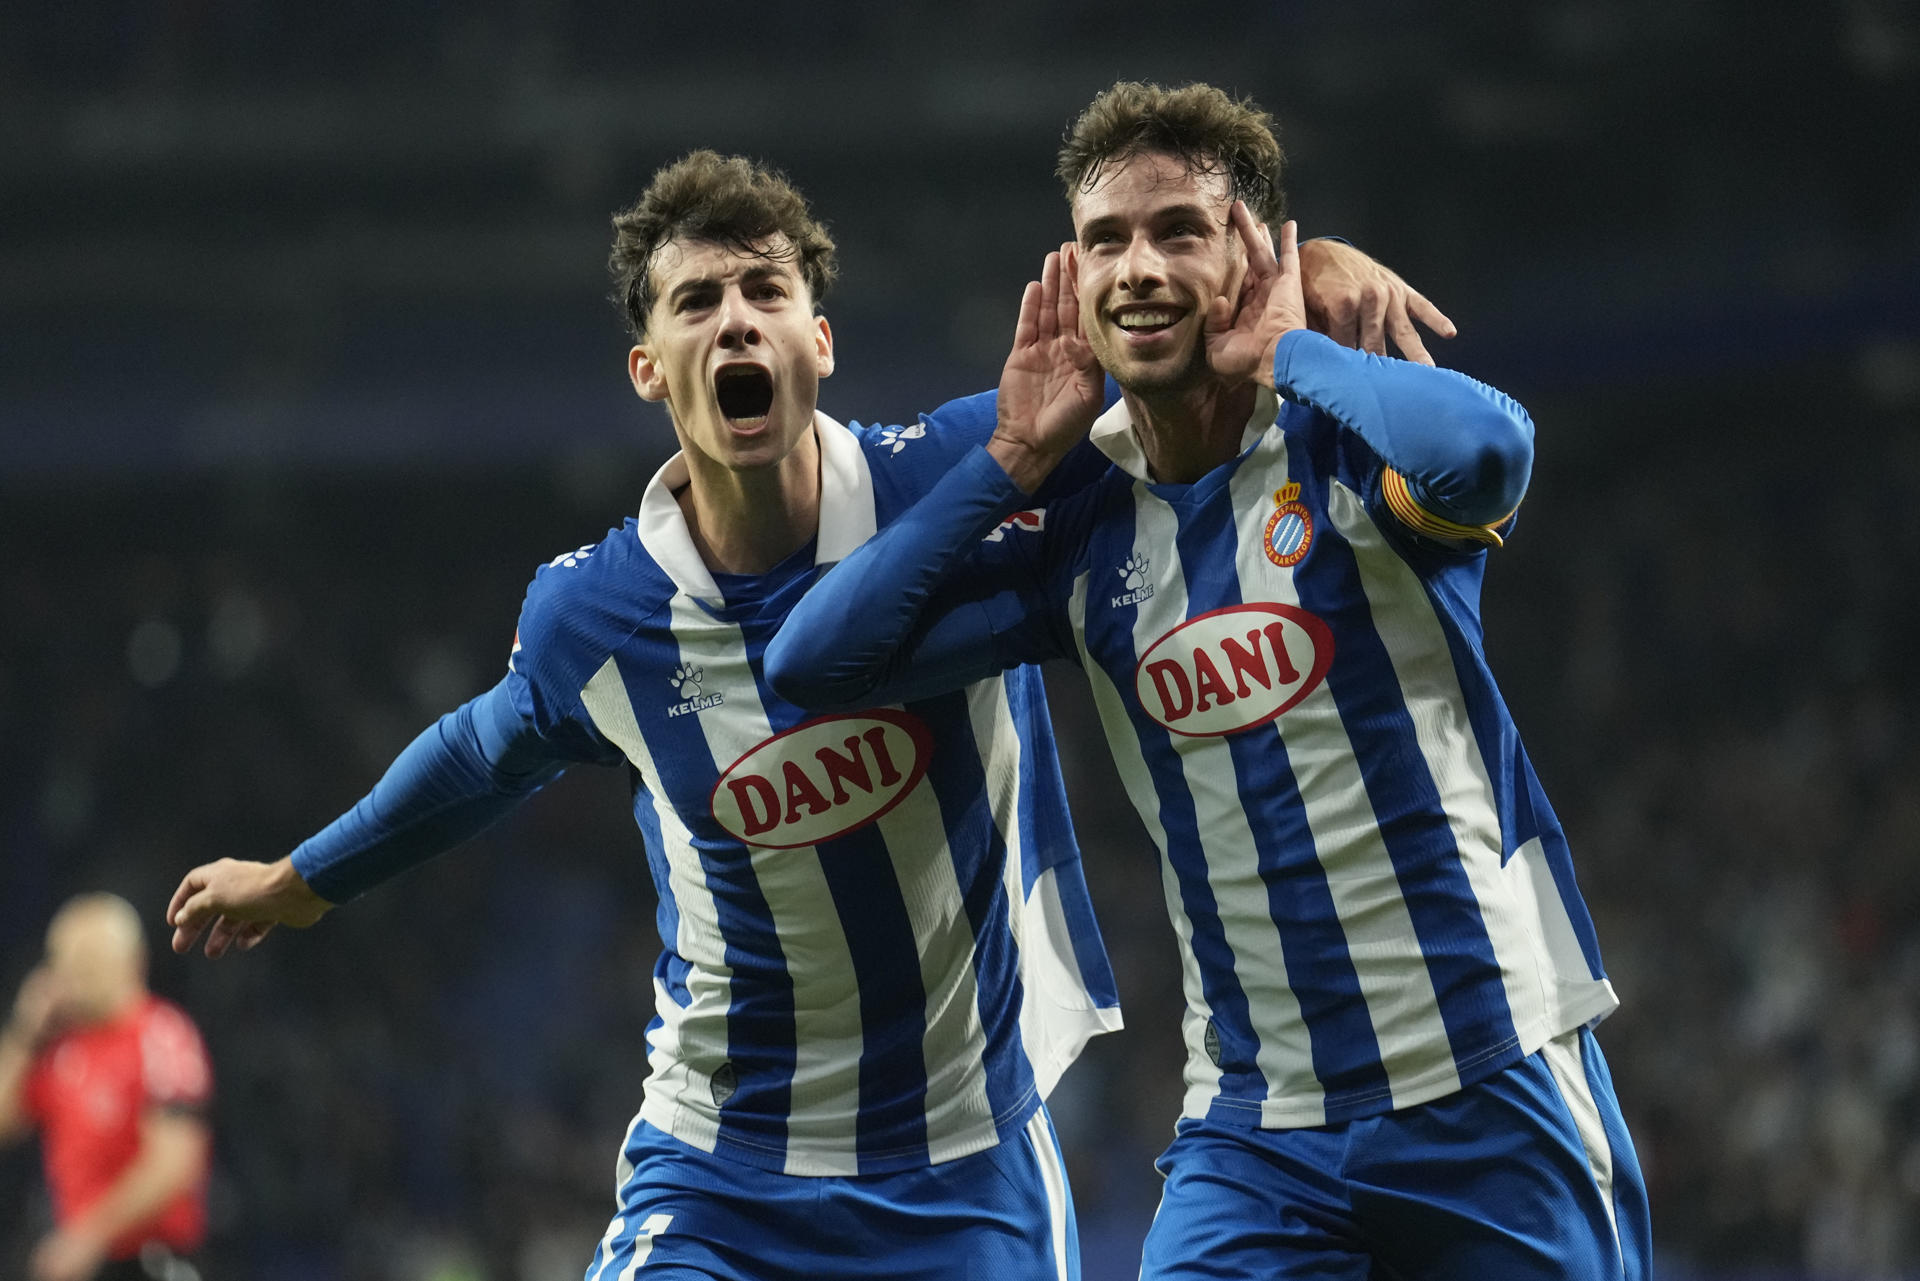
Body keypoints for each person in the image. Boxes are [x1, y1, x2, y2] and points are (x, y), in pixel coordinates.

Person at [164, 151, 1453, 1280]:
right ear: (646, 366)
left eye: (765, 293)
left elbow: (1162, 346)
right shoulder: (595, 614)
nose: (736, 324)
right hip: (721, 1177)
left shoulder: (971, 466)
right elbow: (488, 749)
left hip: (967, 1168)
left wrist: (1306, 262)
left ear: (818, 342)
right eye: (697, 303)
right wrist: (303, 877)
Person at [766, 81, 1652, 1280]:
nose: (1137, 267)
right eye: (1106, 241)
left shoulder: (1341, 443)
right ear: (1073, 282)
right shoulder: (1080, 520)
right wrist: (1011, 459)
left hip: (1488, 1077)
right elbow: (816, 664)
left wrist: (1288, 346)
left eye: (1179, 230)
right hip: (1257, 1133)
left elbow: (1489, 452)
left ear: (1249, 255)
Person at [0, 894, 212, 1281]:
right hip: (77, 1260)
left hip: (148, 1261)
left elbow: (175, 1161)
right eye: (65, 962)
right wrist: (23, 1032)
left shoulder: (162, 1035)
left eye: (88, 961)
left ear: (131, 962)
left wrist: (89, 1235)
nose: (73, 976)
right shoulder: (58, 1046)